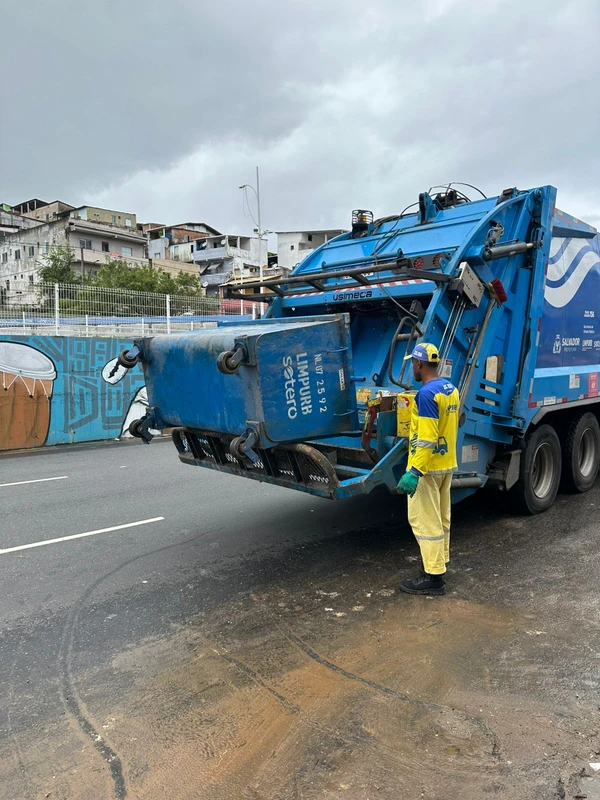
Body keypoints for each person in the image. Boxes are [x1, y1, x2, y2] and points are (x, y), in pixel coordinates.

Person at [397, 343, 459, 596]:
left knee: (425, 522)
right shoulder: (450, 389)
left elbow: (427, 438)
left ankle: (433, 578)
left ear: (420, 364)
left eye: (413, 362)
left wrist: (414, 472)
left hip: (427, 468)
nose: (412, 366)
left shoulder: (425, 395)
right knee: (442, 519)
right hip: (446, 464)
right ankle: (438, 564)